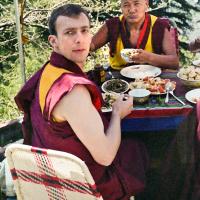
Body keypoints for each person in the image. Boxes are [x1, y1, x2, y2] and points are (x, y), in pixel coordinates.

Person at [14, 4, 149, 200]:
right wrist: (118, 114)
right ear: (54, 41)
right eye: (69, 32)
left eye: (84, 30)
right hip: (82, 185)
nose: (79, 39)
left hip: (50, 173)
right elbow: (105, 156)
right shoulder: (72, 89)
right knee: (139, 149)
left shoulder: (48, 71)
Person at [90, 0, 179, 70]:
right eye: (126, 5)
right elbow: (90, 46)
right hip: (118, 80)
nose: (132, 10)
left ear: (146, 4)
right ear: (121, 7)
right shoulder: (112, 25)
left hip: (151, 81)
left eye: (136, 3)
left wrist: (148, 57)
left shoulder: (158, 25)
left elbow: (174, 62)